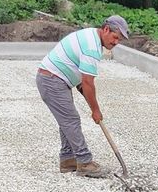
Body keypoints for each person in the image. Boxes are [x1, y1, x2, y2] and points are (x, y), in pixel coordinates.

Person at [37, 15, 130, 178]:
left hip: (54, 80)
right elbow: (87, 82)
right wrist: (95, 110)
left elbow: (82, 83)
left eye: (119, 40)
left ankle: (68, 160)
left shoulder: (91, 36)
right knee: (71, 120)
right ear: (106, 29)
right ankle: (84, 162)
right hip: (52, 81)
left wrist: (90, 100)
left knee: (66, 120)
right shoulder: (92, 48)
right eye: (115, 37)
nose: (116, 43)